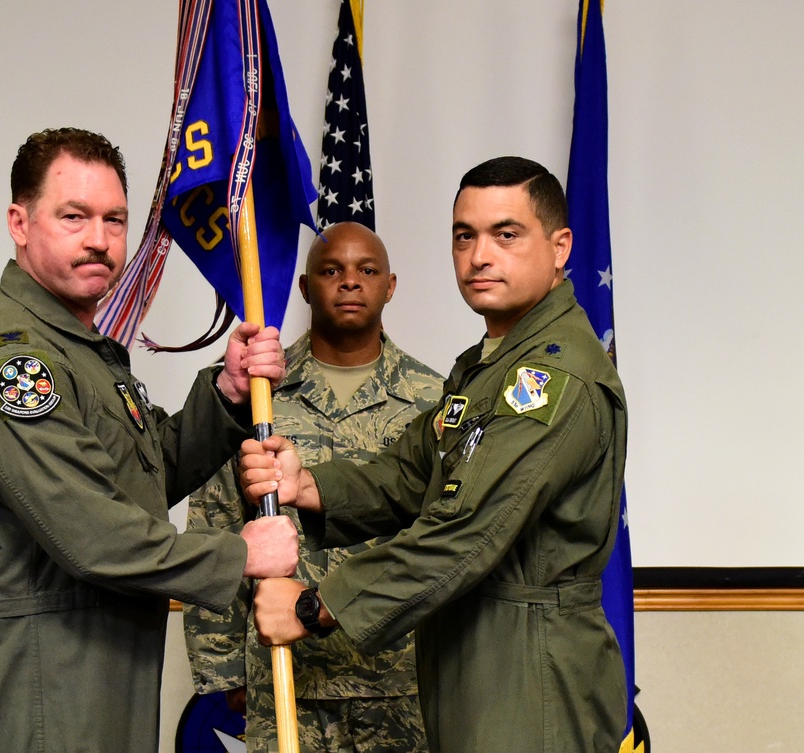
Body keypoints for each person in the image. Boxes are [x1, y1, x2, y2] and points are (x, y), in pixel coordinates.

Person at [0, 127, 299, 753]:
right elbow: (94, 534)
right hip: (39, 685)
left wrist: (228, 393)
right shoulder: (11, 366)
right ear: (19, 223)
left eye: (114, 220)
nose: (99, 239)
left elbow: (141, 480)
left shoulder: (82, 350)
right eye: (74, 217)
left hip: (93, 675)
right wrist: (240, 555)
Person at [241, 157, 629, 753]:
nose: (479, 256)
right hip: (471, 658)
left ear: (559, 247)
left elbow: (467, 531)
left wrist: (318, 607)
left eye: (506, 234)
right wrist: (309, 484)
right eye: (463, 236)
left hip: (529, 670)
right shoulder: (487, 367)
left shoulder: (553, 376)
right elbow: (410, 474)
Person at [184, 222, 441, 752]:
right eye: (331, 270)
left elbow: (445, 537)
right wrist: (224, 670)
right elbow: (214, 521)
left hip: (399, 679)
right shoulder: (257, 393)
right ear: (304, 288)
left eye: (367, 271)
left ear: (390, 286)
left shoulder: (434, 400)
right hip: (282, 672)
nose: (350, 282)